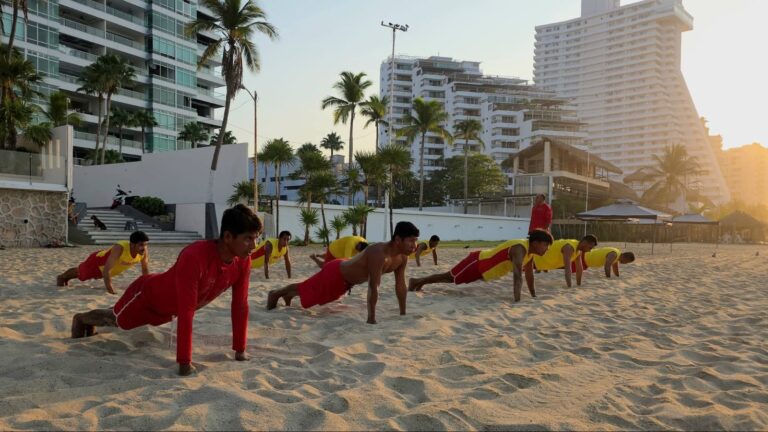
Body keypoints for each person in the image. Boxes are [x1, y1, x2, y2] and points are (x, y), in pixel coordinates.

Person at [70, 204, 262, 376]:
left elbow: (240, 305)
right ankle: (81, 319)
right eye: (248, 239)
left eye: (256, 238)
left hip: (169, 311)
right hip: (145, 295)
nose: (254, 246)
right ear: (228, 236)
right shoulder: (195, 256)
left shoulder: (243, 262)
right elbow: (187, 310)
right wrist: (184, 363)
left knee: (120, 320)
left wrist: (240, 350)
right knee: (117, 320)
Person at [267, 222, 420, 324]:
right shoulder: (378, 253)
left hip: (346, 282)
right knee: (308, 289)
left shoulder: (402, 258)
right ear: (398, 239)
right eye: (411, 241)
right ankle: (275, 293)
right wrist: (371, 319)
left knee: (311, 293)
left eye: (416, 241)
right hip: (336, 273)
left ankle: (288, 294)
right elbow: (374, 286)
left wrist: (403, 313)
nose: (415, 245)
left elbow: (400, 285)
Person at [407, 229, 554, 302]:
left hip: (483, 270)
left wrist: (534, 295)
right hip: (477, 262)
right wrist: (517, 301)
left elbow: (529, 275)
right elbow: (517, 276)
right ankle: (417, 281)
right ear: (536, 243)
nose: (547, 249)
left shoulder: (530, 253)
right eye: (546, 245)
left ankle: (420, 282)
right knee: (449, 277)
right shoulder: (520, 248)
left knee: (450, 278)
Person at [56, 231, 150, 294]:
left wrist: (146, 286)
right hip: (98, 262)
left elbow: (145, 269)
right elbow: (106, 270)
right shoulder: (120, 247)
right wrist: (110, 290)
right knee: (82, 274)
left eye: (145, 244)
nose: (144, 247)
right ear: (132, 245)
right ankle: (61, 277)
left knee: (85, 275)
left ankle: (66, 278)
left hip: (107, 270)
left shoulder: (143, 251)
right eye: (141, 245)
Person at [530, 235, 598, 288]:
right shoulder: (569, 247)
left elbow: (579, 269)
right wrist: (569, 286)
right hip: (534, 258)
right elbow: (568, 269)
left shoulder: (578, 250)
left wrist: (578, 285)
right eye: (590, 247)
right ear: (585, 243)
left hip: (540, 263)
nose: (590, 250)